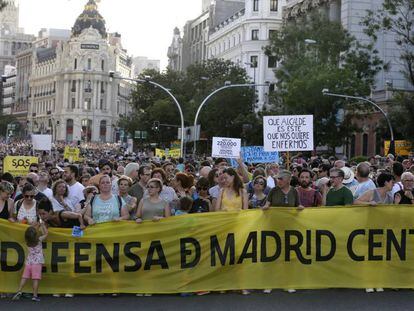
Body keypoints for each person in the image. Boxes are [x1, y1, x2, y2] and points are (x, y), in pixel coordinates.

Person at [12, 222, 48, 302]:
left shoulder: (27, 241)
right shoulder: (39, 240)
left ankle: (19, 290)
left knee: (24, 277)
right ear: (36, 235)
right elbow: (46, 233)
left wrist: (34, 225)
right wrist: (42, 225)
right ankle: (35, 295)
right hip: (37, 263)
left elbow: (29, 232)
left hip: (29, 262)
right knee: (35, 279)